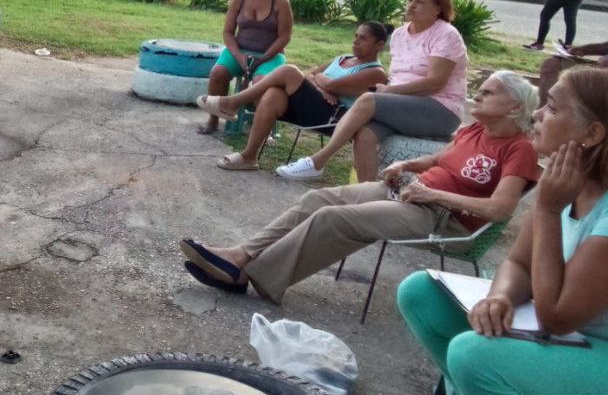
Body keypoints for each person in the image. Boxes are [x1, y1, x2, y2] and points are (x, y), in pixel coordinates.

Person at [181, 72, 540, 305]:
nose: (477, 96)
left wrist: (432, 195)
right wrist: (406, 166)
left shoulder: (519, 149)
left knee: (331, 219)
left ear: (515, 107)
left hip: (440, 219)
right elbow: (437, 162)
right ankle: (240, 255)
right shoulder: (475, 130)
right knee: (318, 197)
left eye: (488, 93)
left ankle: (253, 275)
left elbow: (499, 209)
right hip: (412, 193)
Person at [397, 67, 608, 395]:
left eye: (551, 108)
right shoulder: (567, 182)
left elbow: (557, 317)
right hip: (559, 332)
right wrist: (500, 297)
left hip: (595, 347)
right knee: (420, 293)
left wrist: (549, 210)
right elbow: (519, 263)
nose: (536, 114)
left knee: (472, 355)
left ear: (592, 134)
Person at [276, 0, 468, 182]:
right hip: (404, 104)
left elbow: (434, 83)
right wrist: (390, 92)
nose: (411, 5)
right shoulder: (400, 34)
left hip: (440, 109)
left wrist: (390, 92)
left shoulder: (446, 34)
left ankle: (317, 162)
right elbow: (402, 74)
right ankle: (363, 194)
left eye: (420, 1)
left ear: (438, 8)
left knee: (368, 100)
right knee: (364, 135)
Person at [198, 22, 390, 170]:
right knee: (273, 94)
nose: (356, 41)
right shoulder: (343, 58)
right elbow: (310, 74)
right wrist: (322, 87)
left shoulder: (376, 72)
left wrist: (321, 81)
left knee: (289, 71)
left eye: (363, 38)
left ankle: (232, 103)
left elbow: (328, 82)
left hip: (334, 118)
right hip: (316, 106)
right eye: (356, 36)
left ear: (379, 45)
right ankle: (249, 156)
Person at [198, 0, 292, 135]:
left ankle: (260, 128)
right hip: (239, 51)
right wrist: (239, 57)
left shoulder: (281, 2)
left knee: (260, 83)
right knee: (218, 73)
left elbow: (284, 37)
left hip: (270, 56)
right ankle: (213, 119)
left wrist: (262, 58)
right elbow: (228, 32)